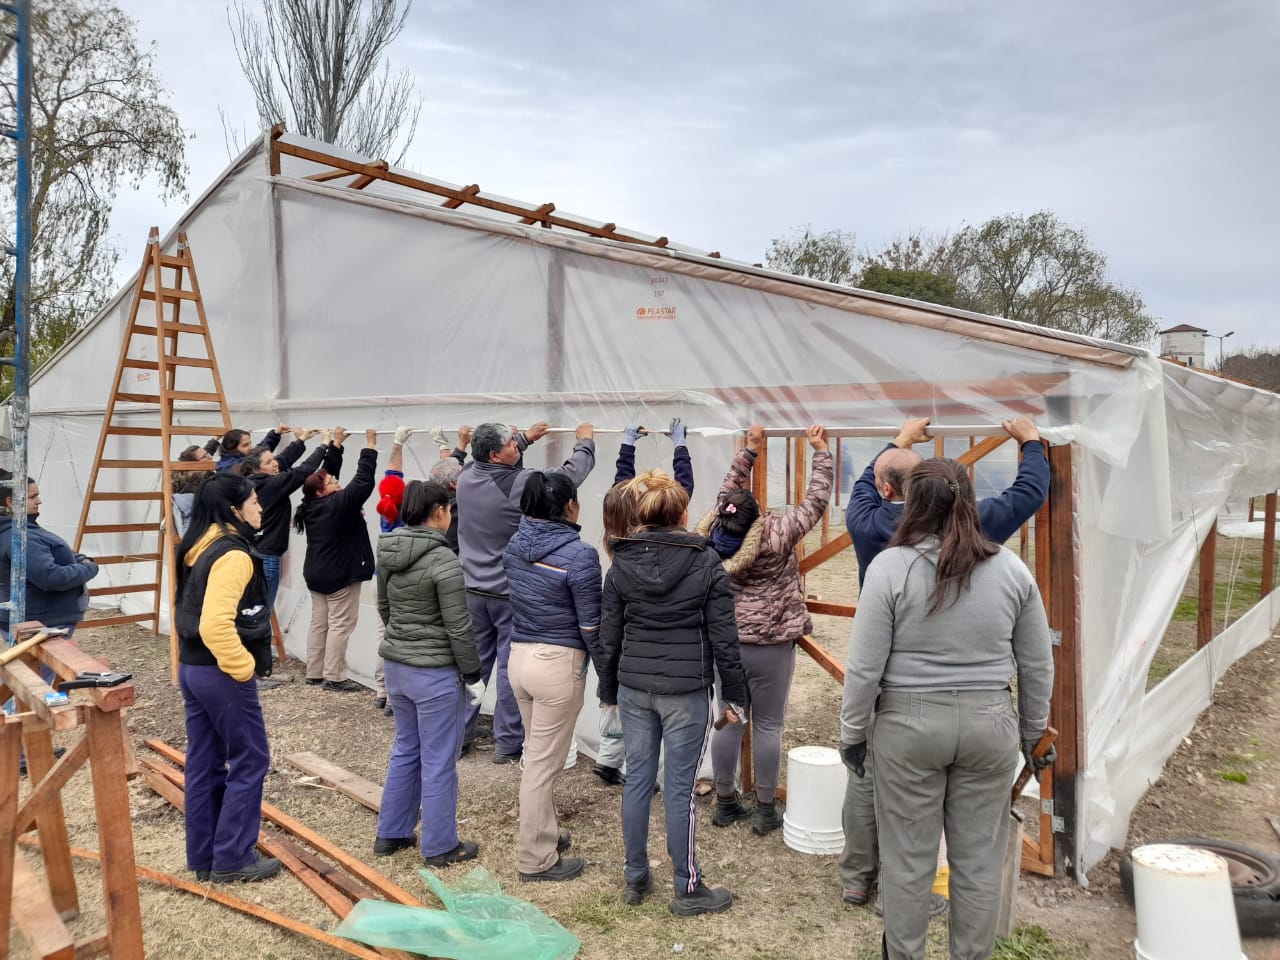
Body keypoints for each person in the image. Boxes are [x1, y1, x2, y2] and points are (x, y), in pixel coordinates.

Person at [839, 457, 1053, 960]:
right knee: (978, 862)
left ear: (911, 503)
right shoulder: (1009, 568)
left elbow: (864, 666)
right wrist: (1033, 732)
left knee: (908, 860)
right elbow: (1038, 663)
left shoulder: (892, 566)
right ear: (971, 502)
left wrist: (852, 733)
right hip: (990, 726)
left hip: (908, 728)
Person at [598, 469, 749, 917]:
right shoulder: (705, 564)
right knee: (679, 789)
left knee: (638, 781)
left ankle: (635, 876)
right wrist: (734, 697)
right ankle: (686, 886)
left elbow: (610, 636)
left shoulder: (621, 563)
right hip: (685, 691)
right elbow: (725, 639)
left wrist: (608, 690)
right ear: (683, 514)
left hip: (634, 689)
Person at [698, 424, 832, 835]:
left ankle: (724, 802)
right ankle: (766, 810)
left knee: (730, 718)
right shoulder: (778, 532)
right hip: (772, 645)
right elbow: (816, 499)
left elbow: (727, 492)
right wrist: (820, 452)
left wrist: (748, 453)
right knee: (769, 724)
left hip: (729, 642)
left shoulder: (714, 536)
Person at [456, 421, 596, 763]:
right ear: (494, 453)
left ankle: (458, 736)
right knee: (509, 668)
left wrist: (523, 440)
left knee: (473, 667)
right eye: (510, 444)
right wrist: (585, 443)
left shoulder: (465, 476)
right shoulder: (517, 483)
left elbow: (496, 465)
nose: (515, 446)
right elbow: (563, 482)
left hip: (472, 588)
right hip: (507, 592)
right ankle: (507, 744)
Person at [174, 472, 281, 884]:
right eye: (255, 501)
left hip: (193, 669)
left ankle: (205, 855)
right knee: (251, 757)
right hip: (219, 672)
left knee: (203, 762)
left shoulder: (198, 545)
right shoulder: (232, 554)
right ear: (234, 510)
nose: (261, 508)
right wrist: (243, 668)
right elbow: (216, 625)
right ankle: (234, 856)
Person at [375, 480, 485, 868]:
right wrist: (472, 673)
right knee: (439, 759)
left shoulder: (387, 549)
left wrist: (403, 638)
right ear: (439, 512)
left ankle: (392, 832)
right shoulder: (444, 560)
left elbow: (384, 608)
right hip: (435, 673)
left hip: (397, 667)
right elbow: (459, 627)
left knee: (406, 748)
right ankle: (439, 845)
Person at [503, 471, 603, 882]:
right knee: (542, 766)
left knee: (536, 755)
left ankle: (546, 833)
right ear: (570, 508)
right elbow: (591, 625)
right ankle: (535, 859)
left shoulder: (512, 545)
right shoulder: (580, 555)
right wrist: (607, 675)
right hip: (557, 665)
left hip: (520, 660)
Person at [592, 418, 695, 786]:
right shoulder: (653, 521)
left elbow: (623, 483)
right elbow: (684, 491)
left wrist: (627, 446)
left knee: (621, 683)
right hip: (649, 607)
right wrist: (680, 447)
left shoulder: (617, 517)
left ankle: (609, 758)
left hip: (625, 592)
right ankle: (636, 768)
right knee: (643, 691)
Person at [293, 428, 378, 691]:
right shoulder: (338, 503)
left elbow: (326, 476)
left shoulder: (311, 505)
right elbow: (362, 482)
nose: (336, 483)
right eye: (332, 483)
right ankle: (335, 676)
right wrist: (370, 447)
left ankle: (314, 671)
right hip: (339, 575)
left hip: (316, 573)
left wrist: (336, 448)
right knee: (340, 624)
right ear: (322, 491)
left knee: (319, 622)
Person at [235, 427, 330, 613]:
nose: (275, 464)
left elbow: (284, 461)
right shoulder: (270, 485)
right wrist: (324, 445)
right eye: (269, 462)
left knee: (251, 611)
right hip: (267, 557)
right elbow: (303, 472)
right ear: (258, 468)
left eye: (273, 459)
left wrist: (301, 441)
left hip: (252, 553)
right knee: (261, 613)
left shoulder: (249, 482)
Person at [0, 475, 99, 639]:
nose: (39, 501)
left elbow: (47, 550)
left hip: (35, 616)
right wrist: (89, 567)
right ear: (10, 502)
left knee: (31, 662)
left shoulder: (19, 529)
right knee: (45, 664)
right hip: (41, 621)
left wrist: (77, 557)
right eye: (32, 497)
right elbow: (51, 577)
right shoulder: (20, 537)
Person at [171, 441, 219, 539]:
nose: (210, 456)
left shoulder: (180, 477)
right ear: (194, 463)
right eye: (206, 456)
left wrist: (214, 440)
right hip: (203, 530)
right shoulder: (206, 479)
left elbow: (204, 454)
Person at [216, 425, 288, 474]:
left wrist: (275, 433)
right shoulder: (229, 467)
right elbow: (258, 457)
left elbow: (260, 449)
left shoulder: (240, 458)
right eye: (245, 445)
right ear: (232, 448)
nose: (251, 447)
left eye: (250, 443)